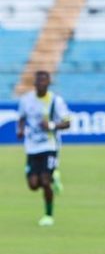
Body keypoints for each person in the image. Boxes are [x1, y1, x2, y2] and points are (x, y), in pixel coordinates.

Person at [16, 71, 71, 226]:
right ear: (34, 84)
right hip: (32, 147)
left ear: (48, 84)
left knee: (44, 181)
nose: (41, 84)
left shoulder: (55, 101)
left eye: (44, 82)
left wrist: (52, 125)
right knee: (33, 185)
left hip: (49, 145)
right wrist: (19, 130)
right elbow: (21, 117)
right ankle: (54, 177)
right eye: (38, 82)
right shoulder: (26, 100)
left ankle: (48, 216)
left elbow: (67, 122)